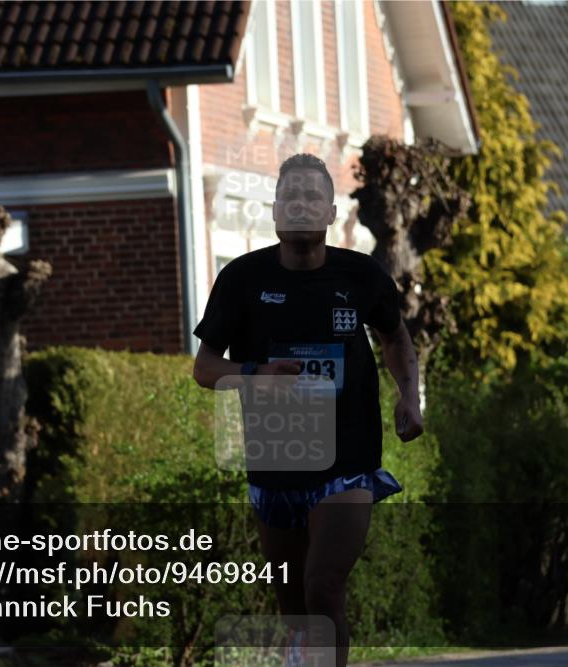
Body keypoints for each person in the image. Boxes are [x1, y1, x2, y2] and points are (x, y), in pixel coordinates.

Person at [192, 153, 424, 667]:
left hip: (347, 464)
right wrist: (254, 374)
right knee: (294, 610)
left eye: (311, 196)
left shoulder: (361, 276)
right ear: (275, 210)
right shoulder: (241, 279)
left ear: (330, 211)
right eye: (290, 196)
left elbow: (395, 339)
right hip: (276, 462)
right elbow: (204, 367)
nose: (300, 204)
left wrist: (410, 395)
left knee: (323, 587)